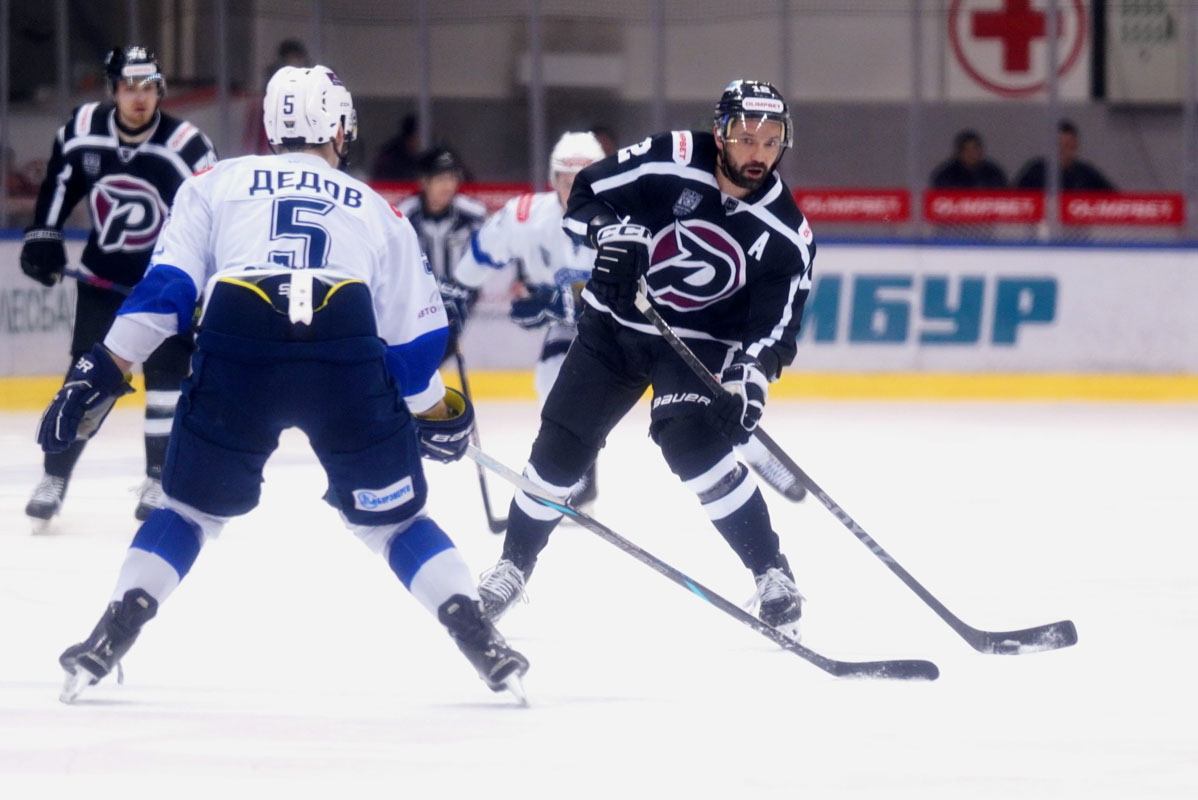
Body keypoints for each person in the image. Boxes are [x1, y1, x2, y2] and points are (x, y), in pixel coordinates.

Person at [41, 65, 529, 703]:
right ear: (338, 127)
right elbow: (413, 349)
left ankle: (113, 630)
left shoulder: (213, 183)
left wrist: (102, 367)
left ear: (274, 126)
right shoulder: (378, 211)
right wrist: (438, 412)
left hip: (240, 340)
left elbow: (167, 294)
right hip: (341, 349)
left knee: (185, 511)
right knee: (395, 522)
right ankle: (476, 633)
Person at [476, 80, 813, 641]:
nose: (759, 152)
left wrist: (750, 380)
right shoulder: (669, 158)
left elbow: (775, 329)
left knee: (693, 446)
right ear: (720, 133)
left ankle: (772, 574)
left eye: (771, 141)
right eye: (746, 137)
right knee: (560, 448)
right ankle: (512, 566)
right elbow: (586, 195)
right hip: (615, 327)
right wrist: (609, 233)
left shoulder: (787, 234)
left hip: (697, 344)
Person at [20, 46, 218, 531]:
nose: (139, 97)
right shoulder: (84, 128)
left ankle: (157, 479)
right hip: (103, 282)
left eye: (148, 87)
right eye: (129, 87)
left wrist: (206, 284)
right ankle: (53, 476)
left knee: (167, 383)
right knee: (86, 379)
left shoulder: (188, 146)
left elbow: (213, 217)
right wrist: (44, 235)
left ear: (160, 90)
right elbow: (60, 182)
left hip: (164, 285)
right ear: (113, 90)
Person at [442, 131, 606, 507]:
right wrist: (457, 292)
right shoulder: (527, 217)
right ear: (553, 179)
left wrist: (559, 301)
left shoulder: (623, 218)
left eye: (582, 180)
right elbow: (484, 250)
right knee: (550, 379)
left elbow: (632, 295)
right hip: (572, 327)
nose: (573, 190)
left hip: (625, 329)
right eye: (565, 180)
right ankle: (578, 473)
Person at [394, 147, 486, 360]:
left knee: (433, 355)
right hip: (415, 301)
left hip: (459, 299)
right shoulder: (403, 216)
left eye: (453, 178)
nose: (448, 186)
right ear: (424, 181)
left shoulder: (473, 214)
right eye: (441, 179)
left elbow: (493, 249)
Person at [1015, 120, 1116, 191]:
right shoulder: (1035, 172)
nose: (1062, 150)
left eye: (1067, 145)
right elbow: (1014, 200)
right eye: (1058, 145)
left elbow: (1114, 200)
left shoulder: (1087, 174)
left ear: (1076, 146)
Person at [929, 129, 1008, 189]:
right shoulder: (945, 176)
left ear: (981, 151)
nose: (971, 154)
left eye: (975, 149)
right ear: (958, 153)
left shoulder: (994, 174)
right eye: (966, 150)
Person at [371, 114, 422, 181]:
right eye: (418, 137)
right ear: (411, 137)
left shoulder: (414, 159)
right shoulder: (391, 158)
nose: (419, 142)